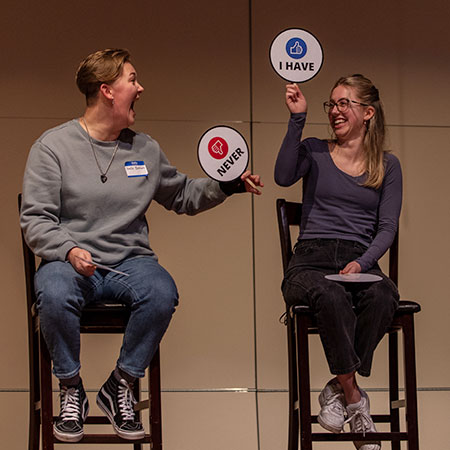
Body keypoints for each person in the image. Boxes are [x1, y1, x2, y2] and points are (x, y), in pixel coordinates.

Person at [20, 48, 263, 443]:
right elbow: (35, 218)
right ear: (107, 91)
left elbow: (182, 194)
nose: (140, 87)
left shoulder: (144, 149)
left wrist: (228, 184)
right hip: (71, 262)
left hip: (128, 263)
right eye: (132, 80)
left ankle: (121, 384)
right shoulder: (53, 148)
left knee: (161, 290)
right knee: (54, 289)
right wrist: (68, 250)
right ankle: (70, 387)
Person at [275, 75, 402, 450]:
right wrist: (297, 118)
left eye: (344, 103)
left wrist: (363, 263)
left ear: (368, 113)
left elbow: (387, 227)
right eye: (331, 104)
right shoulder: (314, 150)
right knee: (329, 294)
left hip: (358, 260)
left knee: (385, 296)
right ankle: (353, 397)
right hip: (310, 260)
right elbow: (283, 175)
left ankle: (337, 383)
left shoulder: (387, 165)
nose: (334, 111)